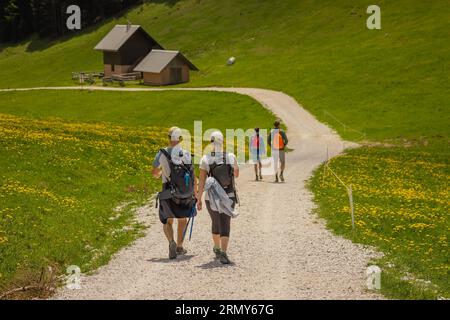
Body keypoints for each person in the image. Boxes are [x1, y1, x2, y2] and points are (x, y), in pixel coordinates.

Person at [152, 127, 197, 259]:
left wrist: (161, 172)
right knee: (183, 219)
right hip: (184, 191)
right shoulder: (187, 153)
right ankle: (180, 246)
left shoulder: (162, 153)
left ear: (168, 137)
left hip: (167, 189)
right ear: (180, 139)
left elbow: (154, 173)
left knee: (167, 220)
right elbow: (192, 175)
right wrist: (195, 193)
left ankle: (171, 242)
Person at [197, 131, 239, 264]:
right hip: (229, 195)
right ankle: (224, 253)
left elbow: (202, 181)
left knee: (216, 222)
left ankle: (217, 247)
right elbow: (236, 174)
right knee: (225, 222)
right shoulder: (231, 156)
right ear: (223, 141)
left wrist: (198, 199)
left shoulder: (205, 159)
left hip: (211, 197)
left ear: (211, 142)